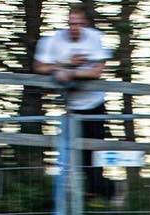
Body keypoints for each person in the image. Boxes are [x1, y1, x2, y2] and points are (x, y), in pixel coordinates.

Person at [34, 4, 114, 202]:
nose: (74, 28)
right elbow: (39, 67)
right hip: (72, 107)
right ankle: (80, 196)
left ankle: (102, 192)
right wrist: (65, 64)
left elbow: (97, 72)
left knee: (95, 150)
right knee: (73, 152)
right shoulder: (55, 40)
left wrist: (70, 73)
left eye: (78, 24)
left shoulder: (95, 38)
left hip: (94, 103)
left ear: (85, 24)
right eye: (71, 23)